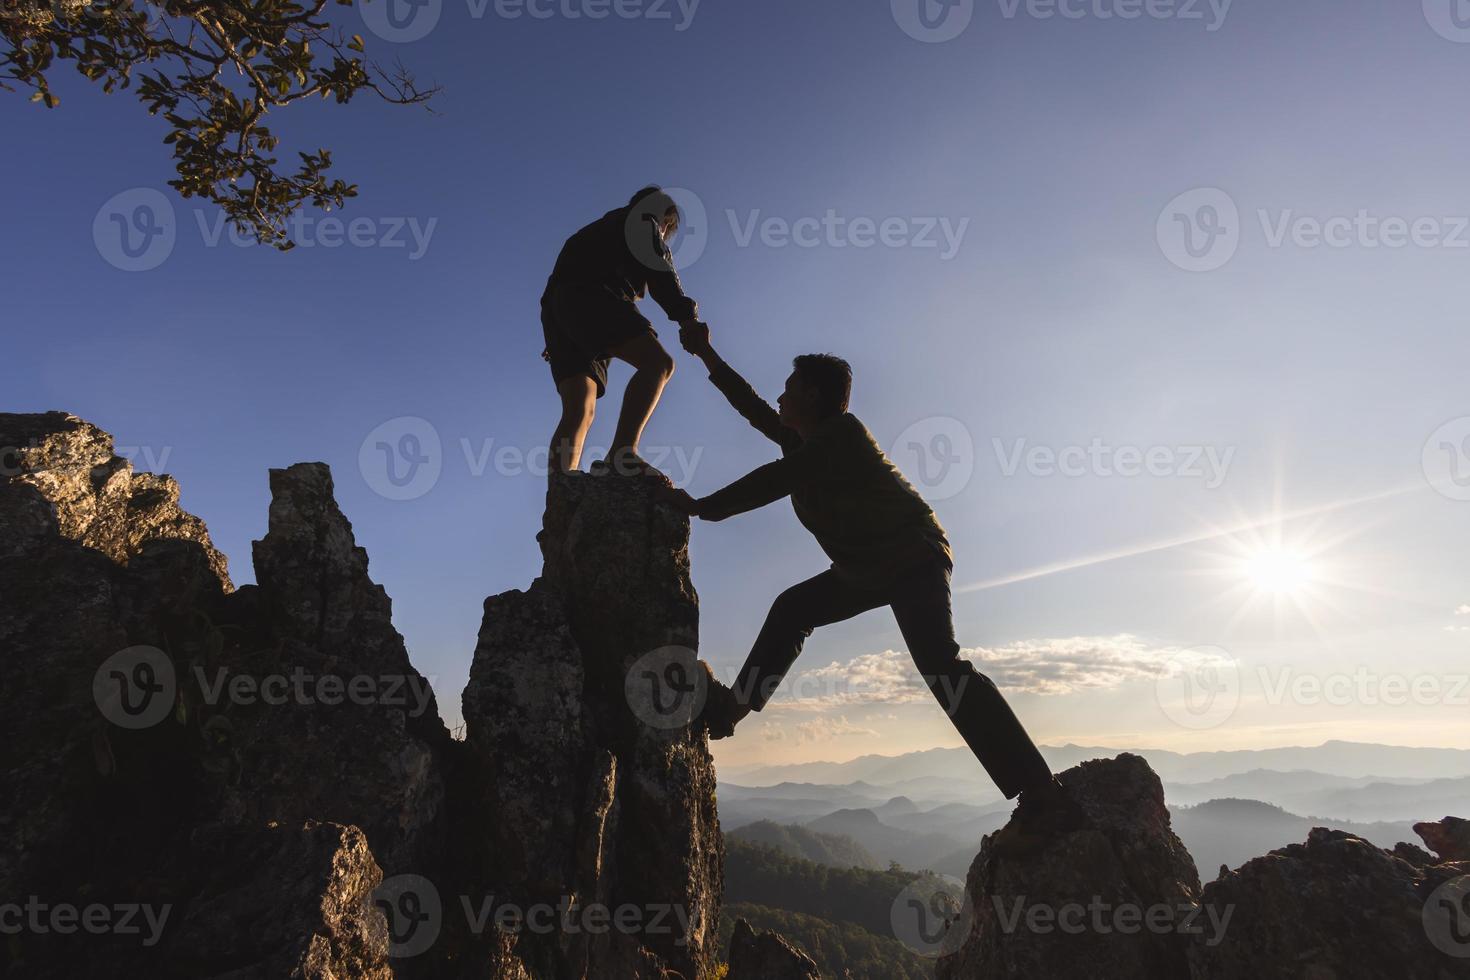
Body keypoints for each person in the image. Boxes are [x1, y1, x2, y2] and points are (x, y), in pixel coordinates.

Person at [660, 322, 1074, 821]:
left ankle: (1040, 791)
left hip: (914, 555)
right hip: (866, 568)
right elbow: (752, 407)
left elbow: (776, 480)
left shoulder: (841, 435)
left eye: (789, 388)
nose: (779, 397)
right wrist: (706, 355)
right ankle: (728, 712)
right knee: (794, 608)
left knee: (943, 667)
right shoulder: (803, 440)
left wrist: (701, 506)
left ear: (813, 395)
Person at [541, 186, 704, 477]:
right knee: (658, 364)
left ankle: (561, 489)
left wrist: (557, 332)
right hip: (596, 297)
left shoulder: (592, 232)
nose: (665, 234)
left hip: (561, 311)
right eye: (668, 228)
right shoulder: (644, 222)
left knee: (580, 405)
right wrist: (687, 319)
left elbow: (555, 285)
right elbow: (662, 274)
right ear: (664, 219)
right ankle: (622, 452)